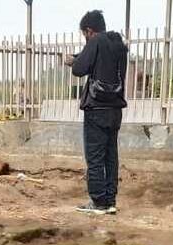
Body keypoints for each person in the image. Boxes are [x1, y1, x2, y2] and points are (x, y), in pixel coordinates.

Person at [63, 10, 128, 215]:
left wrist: (73, 61)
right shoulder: (119, 45)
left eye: (85, 35)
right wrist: (81, 56)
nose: (86, 38)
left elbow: (80, 69)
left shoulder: (95, 41)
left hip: (96, 108)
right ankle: (110, 200)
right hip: (115, 109)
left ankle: (98, 202)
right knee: (111, 156)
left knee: (95, 157)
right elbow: (102, 64)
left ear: (89, 31)